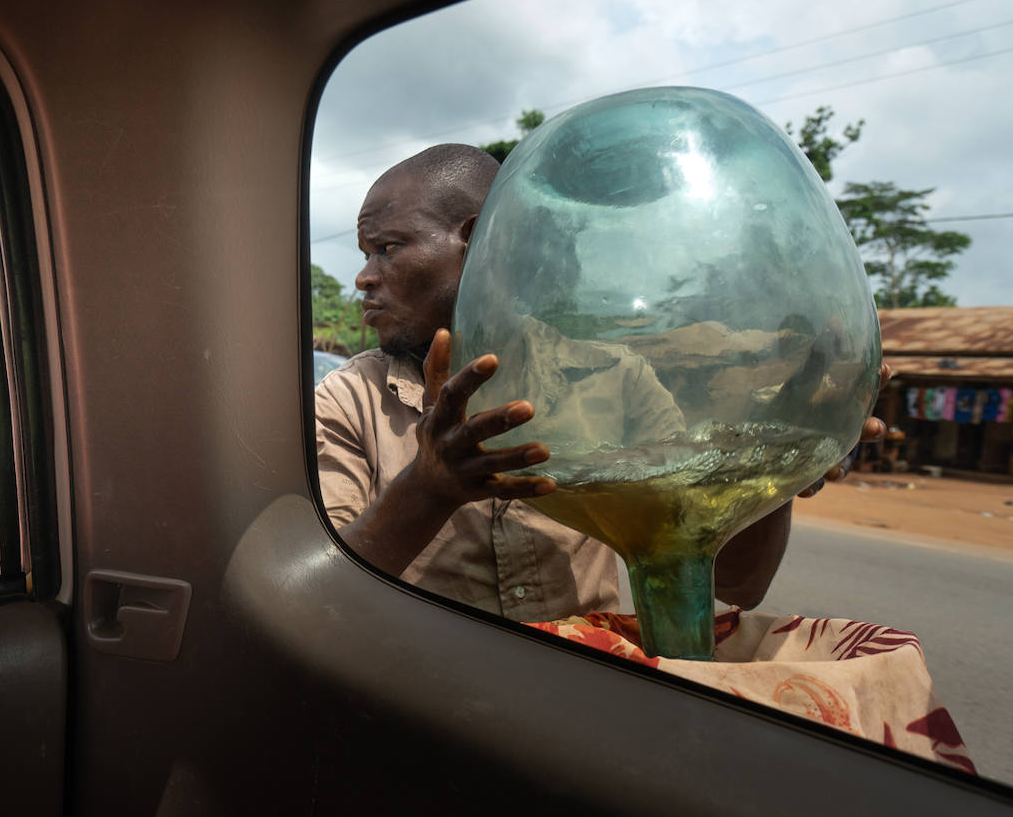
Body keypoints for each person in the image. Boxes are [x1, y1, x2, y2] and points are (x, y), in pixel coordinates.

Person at [315, 143, 885, 623]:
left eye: (387, 248)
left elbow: (737, 586)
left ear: (481, 239)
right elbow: (321, 598)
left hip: (592, 692)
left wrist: (776, 463)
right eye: (365, 254)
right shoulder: (345, 402)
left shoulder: (617, 377)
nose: (363, 277)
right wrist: (430, 486)